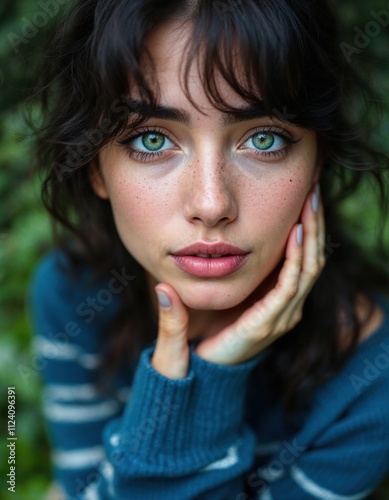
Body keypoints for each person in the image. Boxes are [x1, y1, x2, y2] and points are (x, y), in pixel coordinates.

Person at [28, 0, 389, 498]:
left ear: (318, 160)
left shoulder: (372, 385)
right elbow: (75, 488)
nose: (211, 203)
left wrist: (208, 382)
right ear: (95, 167)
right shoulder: (74, 294)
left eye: (264, 138)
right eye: (152, 140)